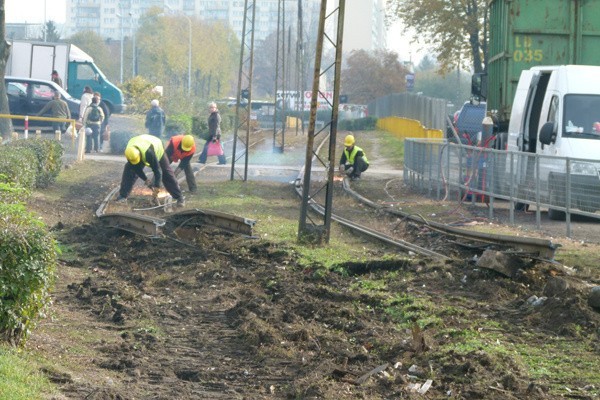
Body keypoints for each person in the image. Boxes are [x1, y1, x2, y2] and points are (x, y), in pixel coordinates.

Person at [115, 134, 185, 207]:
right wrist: (146, 179)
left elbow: (157, 170)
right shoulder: (129, 153)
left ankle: (179, 198)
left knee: (166, 172)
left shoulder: (149, 153)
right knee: (129, 169)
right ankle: (123, 196)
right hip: (141, 143)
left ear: (139, 155)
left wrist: (156, 188)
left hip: (156, 144)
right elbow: (136, 168)